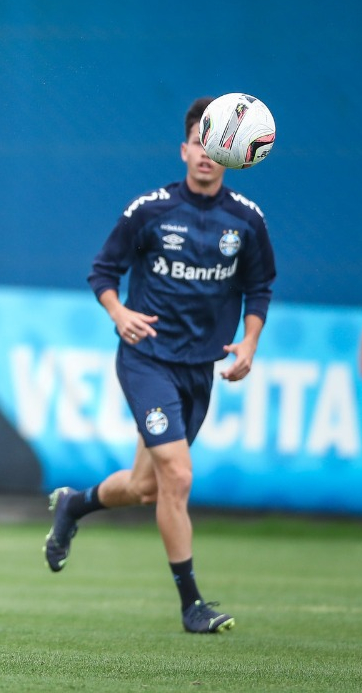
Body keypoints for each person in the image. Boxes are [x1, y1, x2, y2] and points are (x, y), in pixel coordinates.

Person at [44, 96, 277, 633]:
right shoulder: (148, 210)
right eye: (198, 142)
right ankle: (192, 604)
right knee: (178, 475)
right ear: (184, 149)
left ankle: (74, 506)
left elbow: (259, 287)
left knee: (147, 487)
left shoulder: (245, 221)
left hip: (199, 369)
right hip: (147, 360)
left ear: (233, 155)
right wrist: (118, 311)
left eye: (216, 145)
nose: (205, 153)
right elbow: (103, 272)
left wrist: (249, 343)